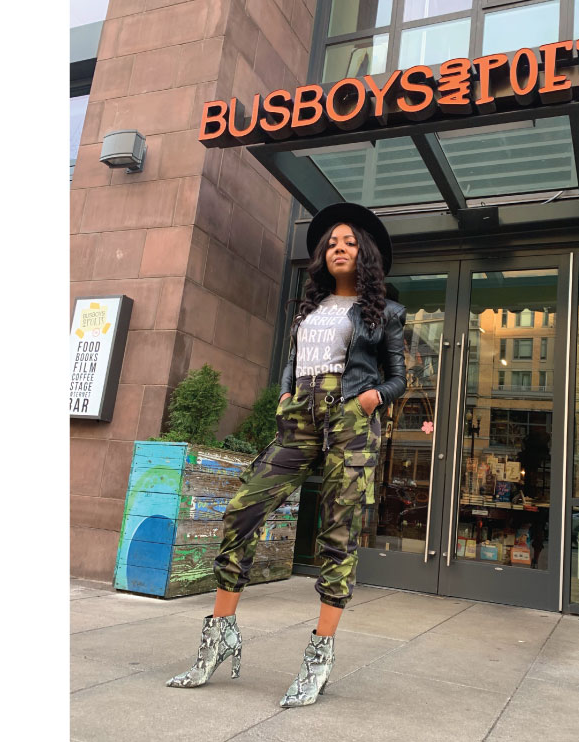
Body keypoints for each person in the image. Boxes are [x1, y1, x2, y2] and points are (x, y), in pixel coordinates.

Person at [166, 202, 407, 708]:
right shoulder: (309, 309)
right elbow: (292, 362)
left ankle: (319, 656)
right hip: (300, 415)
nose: (339, 248)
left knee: (336, 535)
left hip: (351, 416)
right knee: (241, 511)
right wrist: (283, 396)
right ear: (322, 255)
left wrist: (370, 399)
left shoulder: (385, 313)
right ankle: (219, 635)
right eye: (332, 243)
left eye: (349, 242)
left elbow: (398, 377)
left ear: (363, 254)